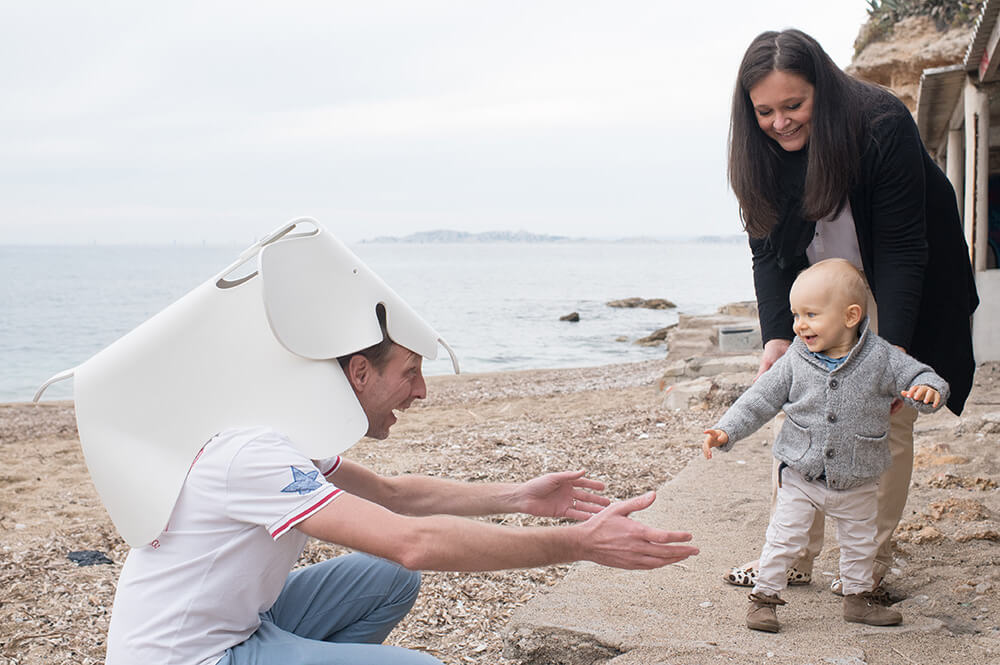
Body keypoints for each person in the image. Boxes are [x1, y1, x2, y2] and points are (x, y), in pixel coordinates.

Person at [98, 306, 699, 663]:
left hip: (242, 622)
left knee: (386, 580)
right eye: (409, 373)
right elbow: (413, 540)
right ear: (360, 372)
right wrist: (579, 544)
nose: (421, 391)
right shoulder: (251, 455)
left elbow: (391, 495)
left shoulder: (285, 437)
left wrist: (518, 497)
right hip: (190, 656)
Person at [723, 28, 979, 597]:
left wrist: (899, 351)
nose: (780, 122)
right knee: (803, 405)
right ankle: (790, 556)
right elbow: (767, 252)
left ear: (824, 90)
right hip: (823, 286)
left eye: (794, 105)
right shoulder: (759, 149)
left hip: (904, 278)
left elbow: (905, 248)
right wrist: (775, 340)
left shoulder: (880, 123)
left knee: (887, 417)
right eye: (764, 111)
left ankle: (867, 563)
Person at [703, 259, 948, 632]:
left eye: (811, 314)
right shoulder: (794, 360)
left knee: (860, 544)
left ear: (851, 316)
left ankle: (857, 599)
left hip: (858, 475)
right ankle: (764, 599)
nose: (800, 325)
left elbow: (918, 376)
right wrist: (726, 430)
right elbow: (759, 399)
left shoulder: (881, 358)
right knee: (783, 539)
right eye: (796, 315)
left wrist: (929, 390)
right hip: (801, 473)